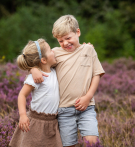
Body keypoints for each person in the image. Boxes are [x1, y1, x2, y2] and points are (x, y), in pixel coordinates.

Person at [30, 15, 105, 147]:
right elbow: (36, 60)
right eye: (61, 40)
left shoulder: (89, 50)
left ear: (78, 32)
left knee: (92, 142)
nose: (65, 43)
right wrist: (33, 69)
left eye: (68, 38)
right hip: (64, 111)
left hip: (86, 107)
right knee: (68, 145)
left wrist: (88, 97)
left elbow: (96, 75)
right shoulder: (55, 53)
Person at [9, 38, 62, 147]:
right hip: (35, 123)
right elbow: (22, 95)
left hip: (52, 122)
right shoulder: (35, 77)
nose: (54, 51)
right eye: (50, 50)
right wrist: (23, 115)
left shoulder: (54, 70)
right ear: (43, 60)